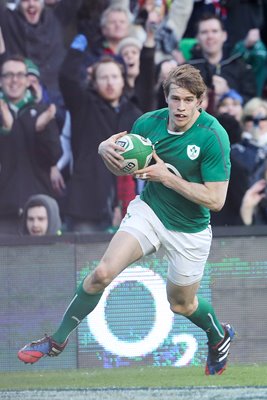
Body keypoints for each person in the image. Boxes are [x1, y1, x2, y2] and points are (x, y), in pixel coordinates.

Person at [17, 64, 235, 376]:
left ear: (201, 101)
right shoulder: (148, 123)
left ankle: (218, 336)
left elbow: (216, 200)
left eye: (189, 100)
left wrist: (167, 177)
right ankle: (56, 340)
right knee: (102, 274)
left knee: (181, 304)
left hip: (190, 229)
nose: (181, 107)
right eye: (175, 99)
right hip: (150, 211)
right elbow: (125, 161)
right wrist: (103, 148)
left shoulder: (213, 136)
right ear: (166, 97)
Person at [58, 39, 142, 232]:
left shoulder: (133, 112)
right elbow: (67, 79)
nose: (110, 82)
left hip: (128, 205)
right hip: (87, 206)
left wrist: (121, 204)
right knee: (84, 260)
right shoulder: (84, 105)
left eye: (114, 76)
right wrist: (75, 52)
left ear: (123, 80)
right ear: (94, 82)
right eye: (103, 78)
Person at [0, 55, 62, 234]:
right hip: (4, 210)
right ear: (1, 80)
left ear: (28, 80)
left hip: (37, 211)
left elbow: (53, 156)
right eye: (8, 75)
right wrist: (6, 130)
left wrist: (42, 129)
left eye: (20, 75)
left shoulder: (42, 111)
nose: (14, 80)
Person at [189, 13, 257, 111]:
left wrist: (228, 92)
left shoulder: (241, 66)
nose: (210, 36)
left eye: (214, 31)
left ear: (224, 36)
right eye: (204, 32)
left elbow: (252, 103)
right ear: (197, 38)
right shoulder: (188, 69)